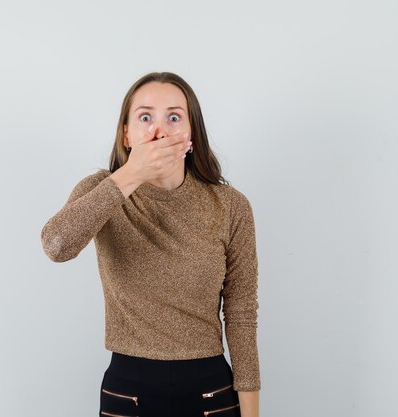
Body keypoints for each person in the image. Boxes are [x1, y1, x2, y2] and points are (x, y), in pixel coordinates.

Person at [40, 72, 261, 417]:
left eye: (174, 117)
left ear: (191, 132)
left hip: (210, 389)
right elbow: (56, 245)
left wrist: (251, 413)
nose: (159, 130)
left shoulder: (230, 206)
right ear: (126, 133)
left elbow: (241, 314)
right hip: (129, 390)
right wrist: (132, 173)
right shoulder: (103, 190)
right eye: (145, 117)